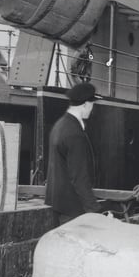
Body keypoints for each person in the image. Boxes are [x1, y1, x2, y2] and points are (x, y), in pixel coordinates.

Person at [45, 82, 101, 226]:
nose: (92, 108)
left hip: (58, 204)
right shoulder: (75, 134)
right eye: (92, 104)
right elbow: (79, 177)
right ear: (86, 105)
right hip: (74, 210)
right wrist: (95, 212)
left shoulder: (60, 126)